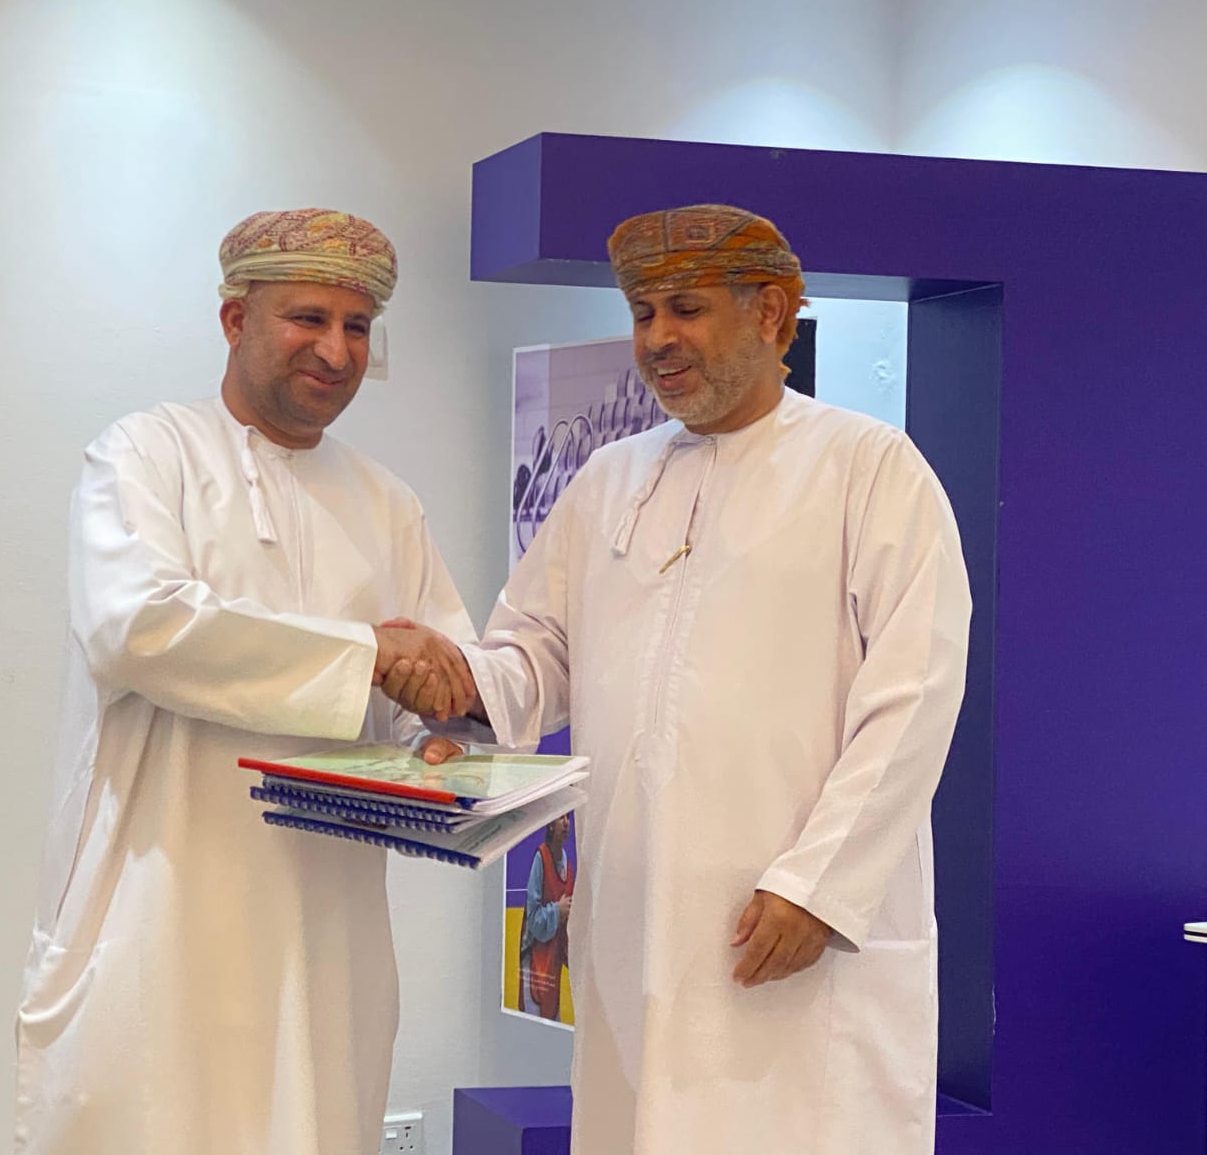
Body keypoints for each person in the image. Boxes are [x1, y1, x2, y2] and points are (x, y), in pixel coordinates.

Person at [412, 204, 972, 1153]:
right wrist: (455, 686)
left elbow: (914, 692)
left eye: (686, 310)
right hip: (635, 922)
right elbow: (536, 652)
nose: (657, 340)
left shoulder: (870, 467)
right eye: (643, 314)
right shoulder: (608, 479)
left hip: (790, 924)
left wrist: (818, 886)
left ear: (772, 314)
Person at [14, 208, 475, 1155]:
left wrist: (443, 732)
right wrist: (363, 654)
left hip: (328, 918)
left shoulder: (388, 502)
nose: (336, 351)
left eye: (357, 327)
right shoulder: (146, 454)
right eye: (308, 318)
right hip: (163, 901)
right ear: (235, 319)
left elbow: (444, 673)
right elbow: (137, 628)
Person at [519, 812, 575, 1020]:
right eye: (561, 818)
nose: (566, 823)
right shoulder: (540, 859)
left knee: (554, 1020)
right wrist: (556, 911)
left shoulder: (568, 868)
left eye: (568, 818)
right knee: (533, 1024)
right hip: (535, 962)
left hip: (553, 961)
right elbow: (533, 918)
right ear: (550, 824)